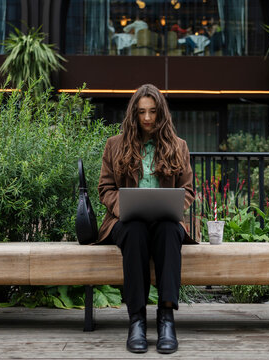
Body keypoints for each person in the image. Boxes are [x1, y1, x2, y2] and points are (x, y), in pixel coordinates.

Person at [97, 84, 196, 354]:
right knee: (135, 229)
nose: (148, 118)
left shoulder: (178, 146)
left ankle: (166, 319)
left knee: (168, 230)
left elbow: (187, 190)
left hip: (164, 220)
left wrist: (175, 207)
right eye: (142, 112)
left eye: (153, 112)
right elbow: (105, 189)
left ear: (161, 113)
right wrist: (123, 208)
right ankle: (137, 320)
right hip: (126, 222)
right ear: (134, 115)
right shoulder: (115, 146)